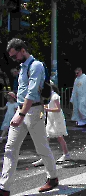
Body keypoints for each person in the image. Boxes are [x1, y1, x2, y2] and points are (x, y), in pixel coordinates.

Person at [0, 38, 58, 195]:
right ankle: (4, 188)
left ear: (22, 50)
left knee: (41, 147)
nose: (13, 59)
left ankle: (52, 177)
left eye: (14, 56)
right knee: (10, 149)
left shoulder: (36, 66)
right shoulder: (23, 67)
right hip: (22, 110)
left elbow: (32, 94)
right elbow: (25, 91)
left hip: (33, 111)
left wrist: (21, 114)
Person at [32, 82, 70, 167]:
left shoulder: (55, 96)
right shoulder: (48, 96)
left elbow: (58, 109)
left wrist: (48, 110)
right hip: (51, 119)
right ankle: (44, 157)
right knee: (47, 137)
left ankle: (66, 154)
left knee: (59, 137)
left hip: (57, 119)